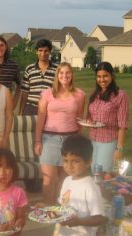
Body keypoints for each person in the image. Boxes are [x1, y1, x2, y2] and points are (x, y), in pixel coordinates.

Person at [34, 62, 85, 204]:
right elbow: (40, 119)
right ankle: (47, 207)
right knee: (48, 179)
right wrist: (38, 141)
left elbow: (80, 118)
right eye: (61, 73)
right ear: (57, 75)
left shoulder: (79, 95)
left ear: (72, 75)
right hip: (49, 139)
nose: (65, 76)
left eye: (68, 72)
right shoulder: (47, 94)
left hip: (70, 140)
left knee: (65, 179)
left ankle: (60, 209)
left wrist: (78, 140)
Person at [52, 135, 107, 236]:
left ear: (89, 162)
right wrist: (47, 209)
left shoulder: (90, 187)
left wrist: (79, 222)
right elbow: (62, 206)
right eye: (65, 161)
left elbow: (100, 218)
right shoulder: (67, 181)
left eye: (75, 161)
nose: (69, 166)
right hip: (63, 232)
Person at [87, 61, 129, 174]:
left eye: (105, 76)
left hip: (108, 142)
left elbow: (123, 125)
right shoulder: (94, 94)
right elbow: (90, 117)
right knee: (93, 172)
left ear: (112, 75)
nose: (102, 79)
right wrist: (90, 122)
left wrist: (119, 149)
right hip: (92, 140)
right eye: (99, 76)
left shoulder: (120, 95)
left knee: (104, 174)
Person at [19, 39, 57, 115]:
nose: (43, 53)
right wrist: (20, 112)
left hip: (49, 109)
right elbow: (24, 92)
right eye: (40, 50)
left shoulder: (57, 69)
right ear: (36, 51)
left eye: (46, 51)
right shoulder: (29, 69)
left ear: (50, 52)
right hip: (30, 108)